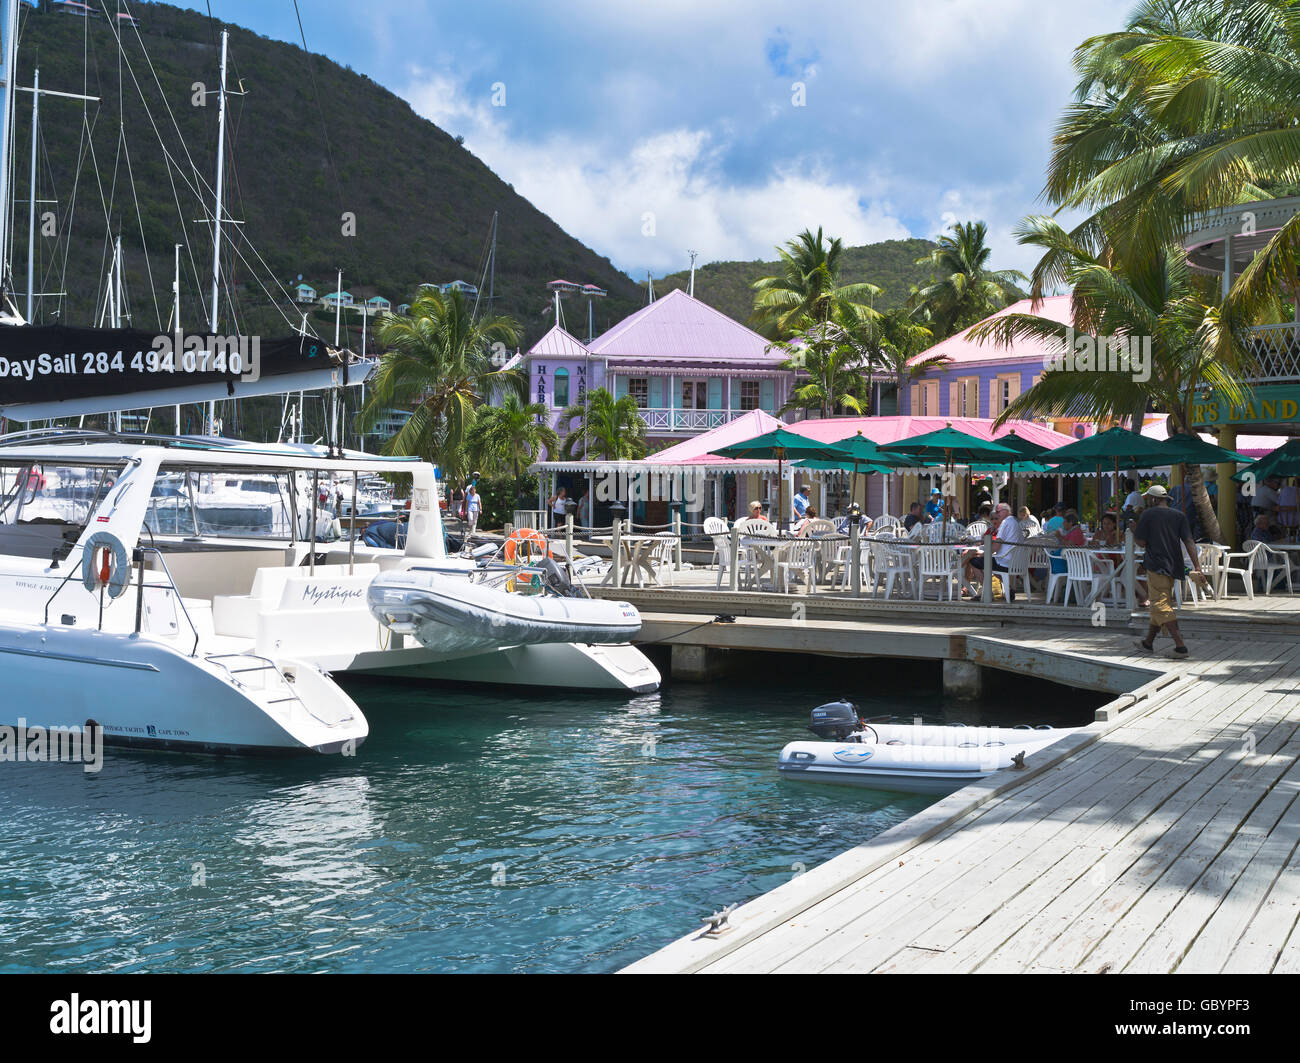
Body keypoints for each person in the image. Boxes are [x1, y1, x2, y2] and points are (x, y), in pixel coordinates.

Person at [1134, 484, 1206, 657]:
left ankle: (1180, 646)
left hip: (1156, 565)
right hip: (1174, 566)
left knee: (1161, 605)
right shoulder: (1179, 515)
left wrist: (1132, 529)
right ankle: (1148, 643)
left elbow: (1141, 542)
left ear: (1153, 499)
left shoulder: (1147, 514)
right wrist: (1197, 566)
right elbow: (1189, 542)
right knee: (1160, 604)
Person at [962, 502, 1024, 600]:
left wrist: (982, 554)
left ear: (1006, 511)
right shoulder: (1014, 521)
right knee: (983, 561)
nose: (997, 514)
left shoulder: (1005, 522)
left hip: (1004, 562)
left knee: (973, 561)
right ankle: (1008, 589)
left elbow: (995, 547)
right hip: (1016, 563)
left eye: (998, 511)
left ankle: (987, 592)